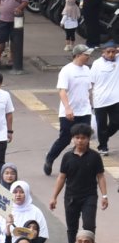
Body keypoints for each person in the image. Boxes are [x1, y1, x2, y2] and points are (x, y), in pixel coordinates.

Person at [49, 124, 108, 243]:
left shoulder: (94, 156)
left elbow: (100, 176)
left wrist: (104, 196)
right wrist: (54, 197)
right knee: (72, 228)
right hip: (71, 197)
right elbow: (61, 177)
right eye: (77, 137)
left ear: (88, 139)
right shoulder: (67, 157)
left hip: (89, 197)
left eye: (83, 138)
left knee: (89, 226)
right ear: (72, 139)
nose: (80, 140)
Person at [45, 45, 94, 176]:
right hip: (69, 111)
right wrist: (67, 108)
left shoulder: (87, 70)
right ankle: (50, 158)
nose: (89, 57)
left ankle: (83, 166)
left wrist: (91, 105)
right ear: (78, 55)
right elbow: (62, 91)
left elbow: (89, 90)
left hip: (85, 111)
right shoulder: (66, 71)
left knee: (84, 139)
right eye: (86, 55)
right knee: (65, 139)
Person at [92, 41, 119, 155]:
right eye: (108, 52)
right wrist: (90, 101)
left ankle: (103, 137)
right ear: (103, 52)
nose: (111, 54)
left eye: (113, 52)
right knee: (101, 125)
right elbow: (91, 83)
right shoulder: (97, 64)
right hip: (100, 100)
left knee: (116, 123)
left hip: (115, 99)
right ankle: (103, 147)